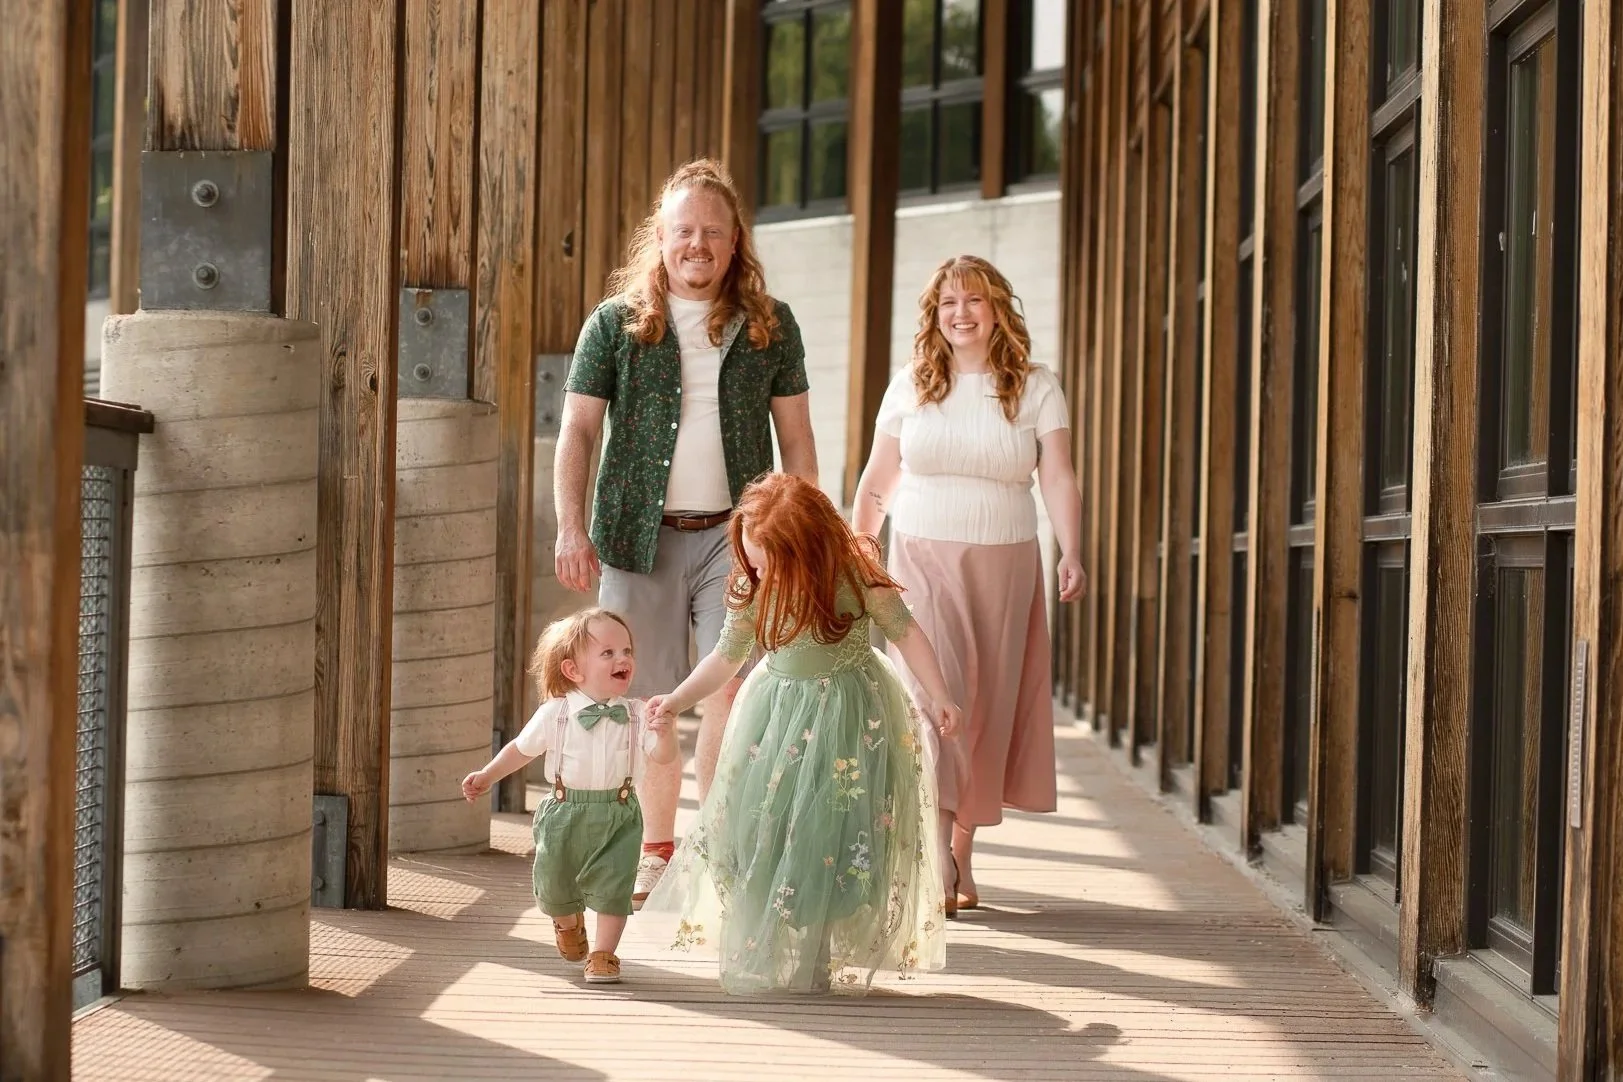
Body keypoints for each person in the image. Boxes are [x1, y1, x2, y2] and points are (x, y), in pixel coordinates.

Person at [552, 159, 818, 909]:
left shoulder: (771, 325)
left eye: (711, 231)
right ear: (659, 239)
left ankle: (722, 848)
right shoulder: (614, 324)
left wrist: (799, 539)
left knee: (734, 689)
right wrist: (570, 526)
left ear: (735, 242)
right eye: (682, 231)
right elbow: (577, 429)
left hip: (739, 543)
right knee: (649, 705)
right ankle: (658, 852)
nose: (696, 244)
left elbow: (796, 442)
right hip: (638, 542)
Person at [639, 473, 960, 996]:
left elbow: (907, 631)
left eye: (768, 563)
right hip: (776, 718)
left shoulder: (854, 578)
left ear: (808, 550)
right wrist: (676, 700)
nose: (758, 573)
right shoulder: (750, 587)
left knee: (833, 826)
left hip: (849, 720)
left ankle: (817, 947)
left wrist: (939, 694)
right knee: (763, 823)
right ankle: (769, 934)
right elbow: (727, 654)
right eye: (753, 561)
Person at [851, 254, 1085, 915]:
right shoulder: (910, 385)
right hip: (919, 558)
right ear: (934, 316)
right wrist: (858, 552)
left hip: (1006, 561)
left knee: (983, 706)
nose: (961, 312)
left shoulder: (1035, 385)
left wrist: (1072, 551)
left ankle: (960, 851)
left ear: (996, 309)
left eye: (974, 300)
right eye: (948, 302)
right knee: (934, 697)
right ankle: (931, 859)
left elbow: (1059, 476)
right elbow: (877, 478)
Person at [461, 609, 677, 985]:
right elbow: (520, 749)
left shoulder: (638, 714)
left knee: (615, 886)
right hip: (564, 811)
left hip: (619, 812)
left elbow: (662, 755)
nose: (622, 659)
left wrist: (667, 730)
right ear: (573, 671)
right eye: (607, 653)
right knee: (554, 884)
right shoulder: (555, 714)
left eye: (626, 650)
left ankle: (604, 954)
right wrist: (488, 775)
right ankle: (567, 922)